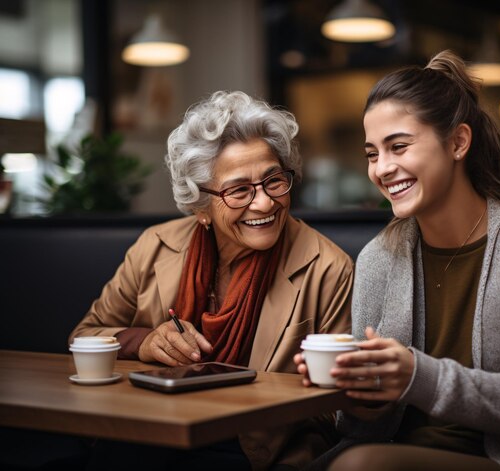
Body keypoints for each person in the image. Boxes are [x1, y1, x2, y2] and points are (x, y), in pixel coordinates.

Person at [295, 50, 500, 470]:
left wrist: (418, 376)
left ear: (458, 142)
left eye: (398, 146)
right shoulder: (378, 258)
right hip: (398, 453)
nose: (382, 168)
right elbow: (362, 431)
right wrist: (356, 390)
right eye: (372, 153)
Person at [70, 90, 353, 471]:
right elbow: (85, 335)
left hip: (254, 449)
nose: (265, 203)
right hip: (151, 428)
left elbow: (337, 407)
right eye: (239, 191)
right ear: (201, 207)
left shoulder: (328, 267)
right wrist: (145, 341)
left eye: (274, 181)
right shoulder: (155, 245)